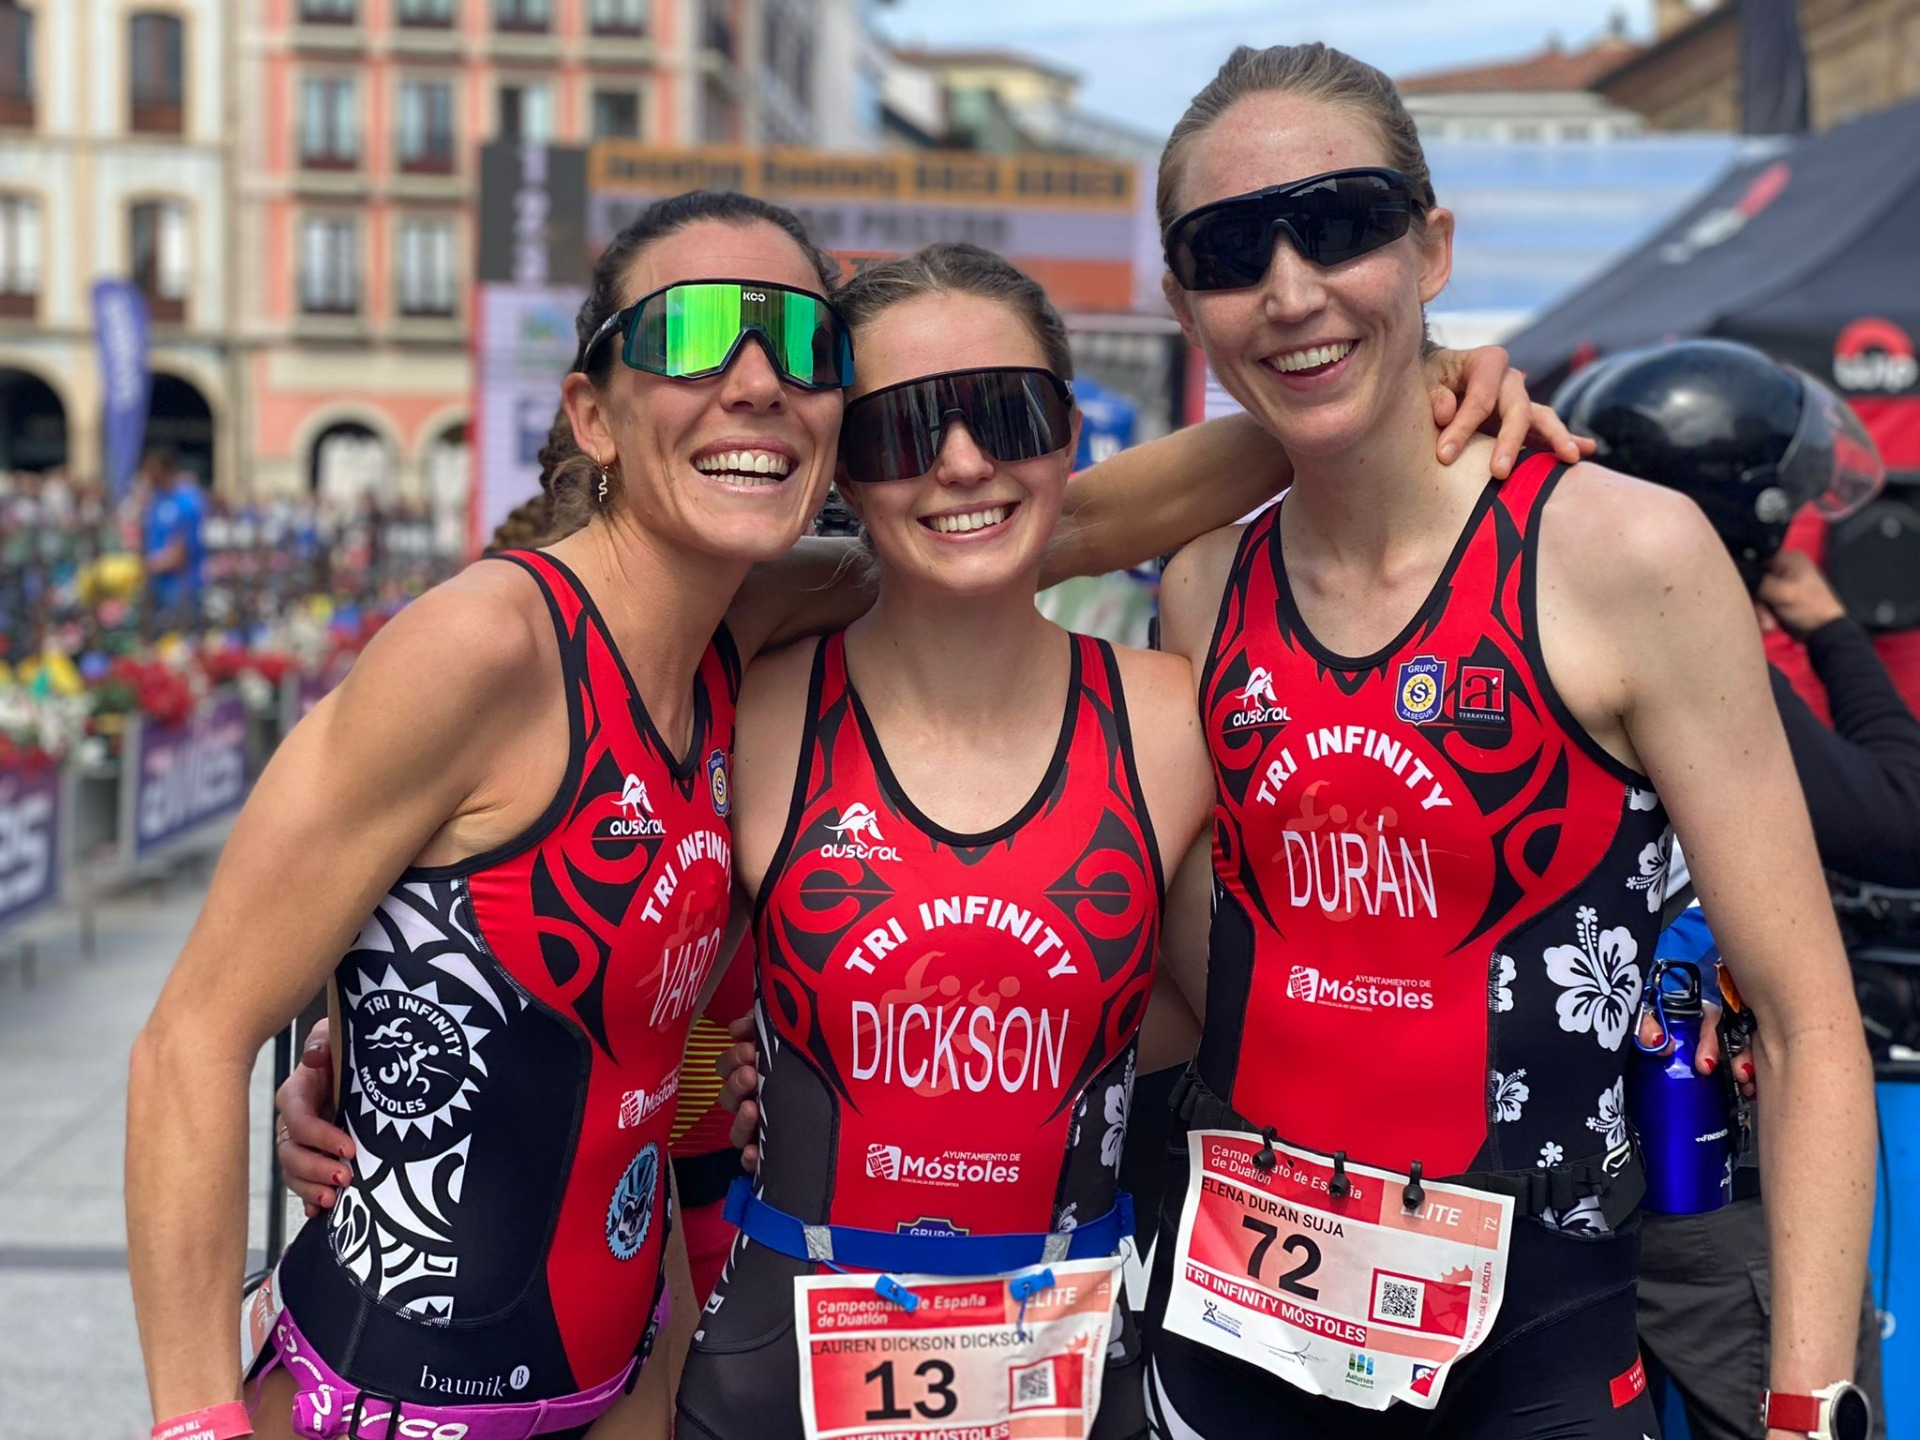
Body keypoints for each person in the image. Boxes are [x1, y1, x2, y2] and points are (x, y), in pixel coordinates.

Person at [152, 182, 1556, 1440]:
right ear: (591, 412)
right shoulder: (494, 644)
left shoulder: (739, 633)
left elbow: (1058, 520)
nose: (753, 382)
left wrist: (1398, 382)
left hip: (627, 1384)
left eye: (798, 349)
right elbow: (190, 1041)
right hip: (380, 1401)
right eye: (693, 336)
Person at [1124, 43, 1875, 1440]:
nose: (1288, 288)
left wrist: (1810, 1405)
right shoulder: (1203, 588)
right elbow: (1200, 969)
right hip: (1236, 1336)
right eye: (1229, 251)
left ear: (1432, 247)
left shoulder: (1623, 556)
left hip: (1539, 1343)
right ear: (1184, 303)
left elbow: (1807, 1019)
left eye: (1340, 224)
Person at [673, 241, 1217, 1440]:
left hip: (1070, 1380)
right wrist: (355, 1045)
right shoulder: (753, 710)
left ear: (1068, 434)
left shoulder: (1172, 721)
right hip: (777, 1377)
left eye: (1007, 414)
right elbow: (621, 1011)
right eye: (901, 431)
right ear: (840, 469)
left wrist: (1426, 383)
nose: (962, 462)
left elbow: (1229, 1021)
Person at [1561, 339, 1913, 1440]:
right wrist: (1831, 627)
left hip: (1554, 1163)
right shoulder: (1682, 646)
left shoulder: (1539, 627)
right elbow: (1899, 817)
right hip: (1701, 1169)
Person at [142, 446, 206, 636]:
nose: (148, 478)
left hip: (180, 587)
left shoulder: (186, 503)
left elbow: (181, 551)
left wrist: (147, 566)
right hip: (158, 585)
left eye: (152, 471)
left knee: (180, 641)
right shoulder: (157, 501)